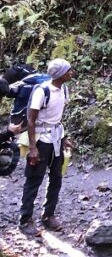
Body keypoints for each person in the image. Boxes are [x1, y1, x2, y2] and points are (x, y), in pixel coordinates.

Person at [19, 58, 73, 235]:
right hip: (41, 140)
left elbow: (57, 117)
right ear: (60, 74)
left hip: (56, 138)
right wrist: (33, 148)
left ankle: (48, 215)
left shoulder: (63, 89)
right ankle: (25, 219)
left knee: (56, 178)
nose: (71, 73)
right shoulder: (42, 91)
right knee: (34, 179)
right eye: (68, 71)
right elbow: (31, 120)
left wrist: (63, 138)